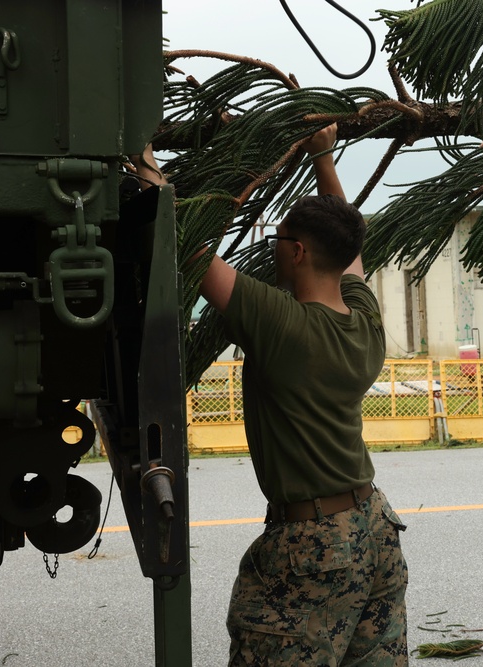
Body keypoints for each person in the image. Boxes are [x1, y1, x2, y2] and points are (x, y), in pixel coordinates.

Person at [132, 125, 409, 666]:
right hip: (374, 530)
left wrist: (145, 166)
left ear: (298, 252)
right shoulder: (362, 317)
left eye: (278, 240)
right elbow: (347, 239)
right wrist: (322, 156)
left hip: (312, 544)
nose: (273, 248)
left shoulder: (280, 323)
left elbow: (186, 247)